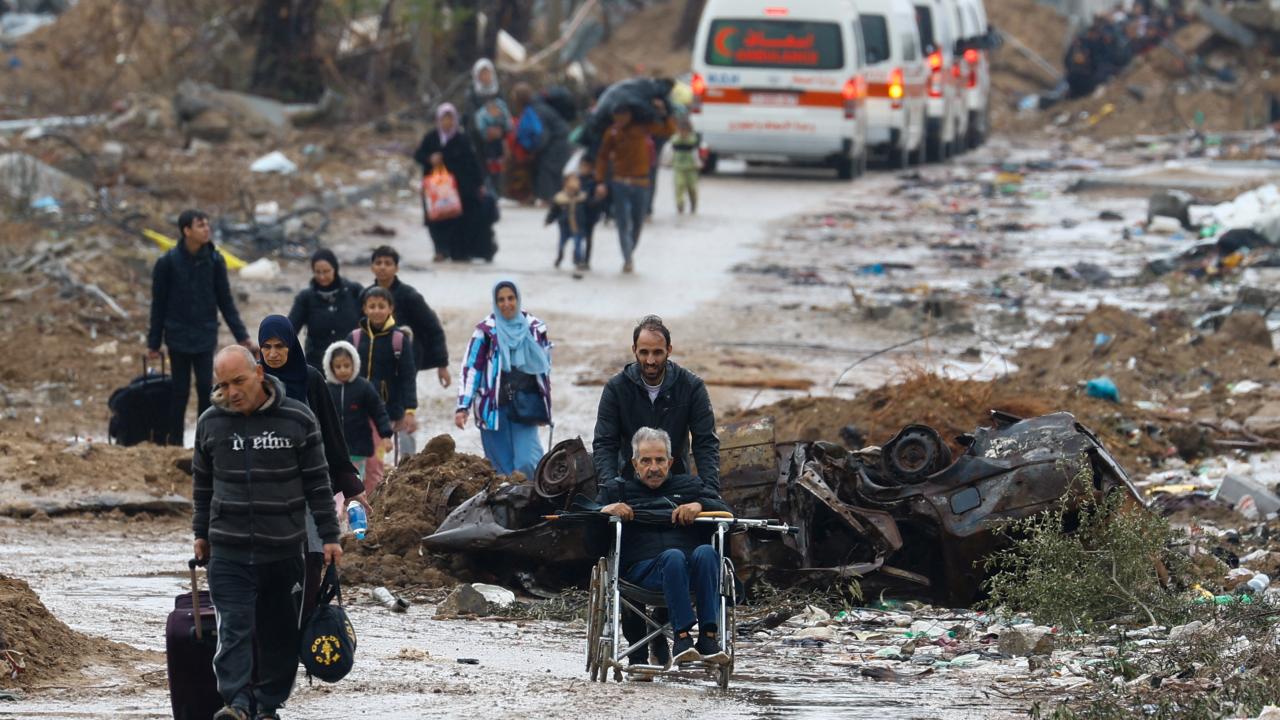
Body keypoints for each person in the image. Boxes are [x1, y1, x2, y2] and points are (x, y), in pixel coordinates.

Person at [193, 345, 342, 720]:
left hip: (283, 547)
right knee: (234, 629)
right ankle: (237, 704)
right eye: (224, 385)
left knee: (279, 634)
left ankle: (269, 704)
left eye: (239, 381)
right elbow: (202, 484)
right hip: (228, 548)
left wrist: (329, 535)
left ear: (258, 372)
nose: (232, 392)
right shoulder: (210, 423)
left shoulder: (297, 418)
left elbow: (317, 483)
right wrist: (200, 533)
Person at [256, 315, 367, 621]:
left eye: (280, 346)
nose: (274, 353)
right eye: (267, 346)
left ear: (292, 345)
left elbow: (331, 433)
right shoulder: (252, 382)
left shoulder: (311, 380)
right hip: (265, 489)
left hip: (308, 484)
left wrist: (351, 484)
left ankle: (304, 625)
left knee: (312, 556)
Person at [596, 427, 732, 666]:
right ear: (634, 464)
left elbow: (727, 512)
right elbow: (587, 522)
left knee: (707, 552)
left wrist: (699, 505)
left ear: (670, 462)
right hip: (641, 574)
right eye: (646, 461)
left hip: (688, 573)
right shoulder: (617, 491)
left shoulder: (691, 488)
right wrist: (605, 510)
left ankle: (708, 638)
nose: (654, 468)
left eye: (660, 460)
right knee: (673, 557)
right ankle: (681, 638)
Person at [147, 209, 254, 446]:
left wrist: (242, 336)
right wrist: (153, 343)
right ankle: (174, 442)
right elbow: (159, 304)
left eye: (207, 225)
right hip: (177, 335)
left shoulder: (215, 260)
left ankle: (204, 442)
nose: (206, 229)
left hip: (205, 334)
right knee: (179, 391)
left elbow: (225, 300)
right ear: (186, 231)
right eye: (200, 225)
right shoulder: (167, 263)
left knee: (206, 388)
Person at [593, 315, 719, 491]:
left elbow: (705, 443)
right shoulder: (616, 388)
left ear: (669, 350)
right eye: (644, 352)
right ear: (634, 350)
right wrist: (610, 491)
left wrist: (710, 492)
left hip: (677, 483)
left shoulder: (691, 386)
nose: (650, 361)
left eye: (658, 352)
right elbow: (605, 443)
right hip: (629, 483)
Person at [455, 280, 551, 478]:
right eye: (501, 300)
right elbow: (471, 368)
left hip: (526, 407)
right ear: (495, 302)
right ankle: (506, 508)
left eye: (511, 298)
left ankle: (533, 504)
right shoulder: (486, 332)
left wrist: (545, 408)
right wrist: (463, 406)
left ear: (518, 299)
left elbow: (544, 370)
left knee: (528, 462)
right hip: (493, 409)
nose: (506, 304)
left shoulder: (535, 329)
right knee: (501, 471)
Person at [594, 101, 676, 273]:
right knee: (622, 223)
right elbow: (602, 157)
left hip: (641, 183)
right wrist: (600, 181)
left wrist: (663, 113)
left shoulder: (643, 128)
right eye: (617, 116)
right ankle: (627, 258)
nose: (621, 119)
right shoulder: (612, 133)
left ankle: (629, 251)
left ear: (630, 115)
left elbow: (669, 131)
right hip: (619, 183)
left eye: (623, 116)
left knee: (637, 223)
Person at [349, 286, 417, 493]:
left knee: (376, 464)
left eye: (381, 306)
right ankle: (352, 505)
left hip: (385, 413)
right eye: (372, 306)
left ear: (390, 308)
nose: (377, 310)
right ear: (364, 308)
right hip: (355, 412)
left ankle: (374, 508)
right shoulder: (354, 338)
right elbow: (340, 374)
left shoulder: (399, 340)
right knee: (352, 461)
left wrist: (410, 411)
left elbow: (408, 377)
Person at [413, 103, 493, 262]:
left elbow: (473, 163)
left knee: (459, 221)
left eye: (450, 119)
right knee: (436, 220)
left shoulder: (462, 139)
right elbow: (418, 155)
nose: (447, 123)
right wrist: (430, 159)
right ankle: (440, 250)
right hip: (435, 189)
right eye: (444, 119)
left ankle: (459, 251)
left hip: (459, 189)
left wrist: (479, 184)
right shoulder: (432, 138)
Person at [322, 340, 393, 481]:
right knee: (335, 484)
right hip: (332, 449)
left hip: (358, 448)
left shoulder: (364, 387)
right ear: (330, 367)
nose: (343, 370)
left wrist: (386, 435)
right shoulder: (325, 389)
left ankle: (354, 503)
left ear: (354, 364)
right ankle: (338, 504)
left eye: (346, 366)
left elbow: (379, 411)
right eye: (338, 366)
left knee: (355, 483)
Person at [287, 249, 364, 369]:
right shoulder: (305, 298)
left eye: (326, 271)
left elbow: (372, 321)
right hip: (317, 364)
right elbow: (290, 329)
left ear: (335, 269)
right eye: (318, 272)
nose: (322, 277)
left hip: (351, 363)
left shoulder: (354, 291)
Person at [512, 82, 573, 203]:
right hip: (560, 142)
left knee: (547, 171)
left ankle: (549, 201)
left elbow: (543, 135)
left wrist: (534, 151)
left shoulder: (535, 110)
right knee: (552, 173)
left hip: (556, 145)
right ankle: (554, 201)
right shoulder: (537, 107)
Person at [545, 173, 589, 270]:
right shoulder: (560, 198)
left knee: (578, 243)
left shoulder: (582, 197)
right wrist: (549, 220)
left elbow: (588, 211)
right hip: (564, 226)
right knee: (562, 243)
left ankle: (578, 260)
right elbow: (554, 211)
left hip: (578, 225)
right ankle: (560, 257)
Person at [669, 116, 701, 214]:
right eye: (681, 130)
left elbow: (696, 151)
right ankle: (680, 204)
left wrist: (698, 163)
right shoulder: (675, 139)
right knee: (679, 185)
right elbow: (671, 149)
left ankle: (693, 204)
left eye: (685, 131)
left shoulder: (693, 140)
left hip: (691, 168)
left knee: (692, 188)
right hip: (678, 167)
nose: (683, 133)